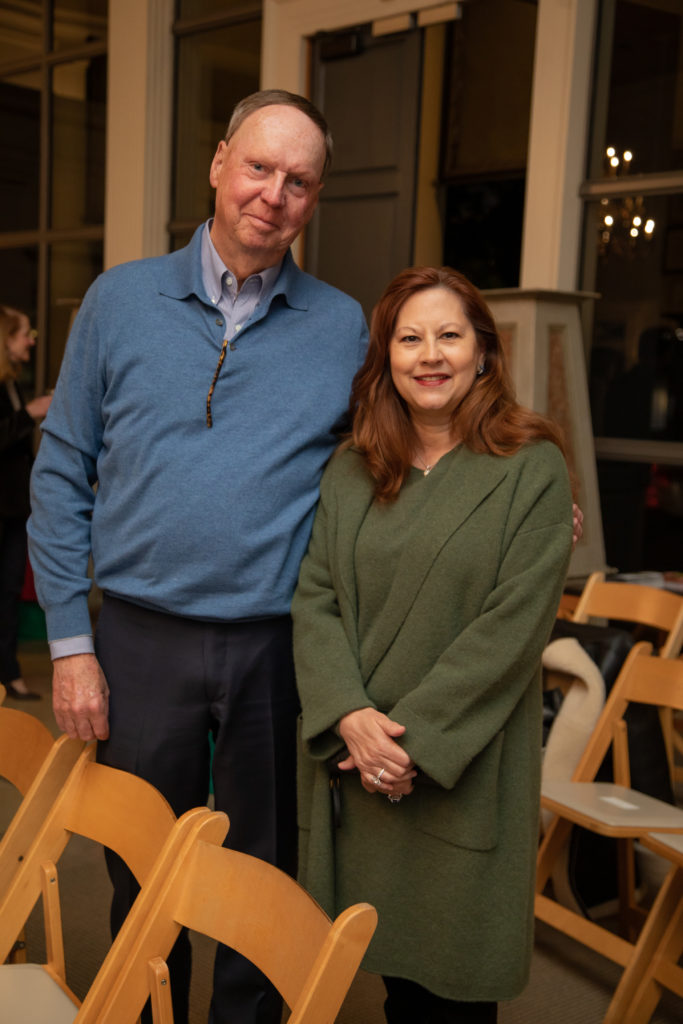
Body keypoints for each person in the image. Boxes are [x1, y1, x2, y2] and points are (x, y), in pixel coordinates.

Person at [27, 90, 367, 1024]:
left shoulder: (343, 327)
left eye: (298, 181)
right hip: (135, 638)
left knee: (265, 871)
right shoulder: (120, 299)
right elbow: (60, 476)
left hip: (275, 644)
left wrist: (526, 480)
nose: (273, 194)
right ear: (218, 165)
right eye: (259, 167)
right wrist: (69, 644)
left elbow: (403, 450)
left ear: (314, 199)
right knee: (139, 863)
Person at [292, 266, 575, 1024]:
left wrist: (407, 744)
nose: (430, 354)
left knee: (451, 990)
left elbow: (511, 631)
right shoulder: (350, 468)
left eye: (449, 335)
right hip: (358, 758)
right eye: (409, 338)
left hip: (458, 764)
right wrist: (347, 712)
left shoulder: (532, 468)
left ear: (483, 352)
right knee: (384, 978)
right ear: (385, 356)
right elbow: (315, 595)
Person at [0, 306, 51, 701]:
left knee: (8, 592)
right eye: (23, 334)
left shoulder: (12, 382)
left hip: (15, 511)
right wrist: (29, 413)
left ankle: (8, 673)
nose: (31, 339)